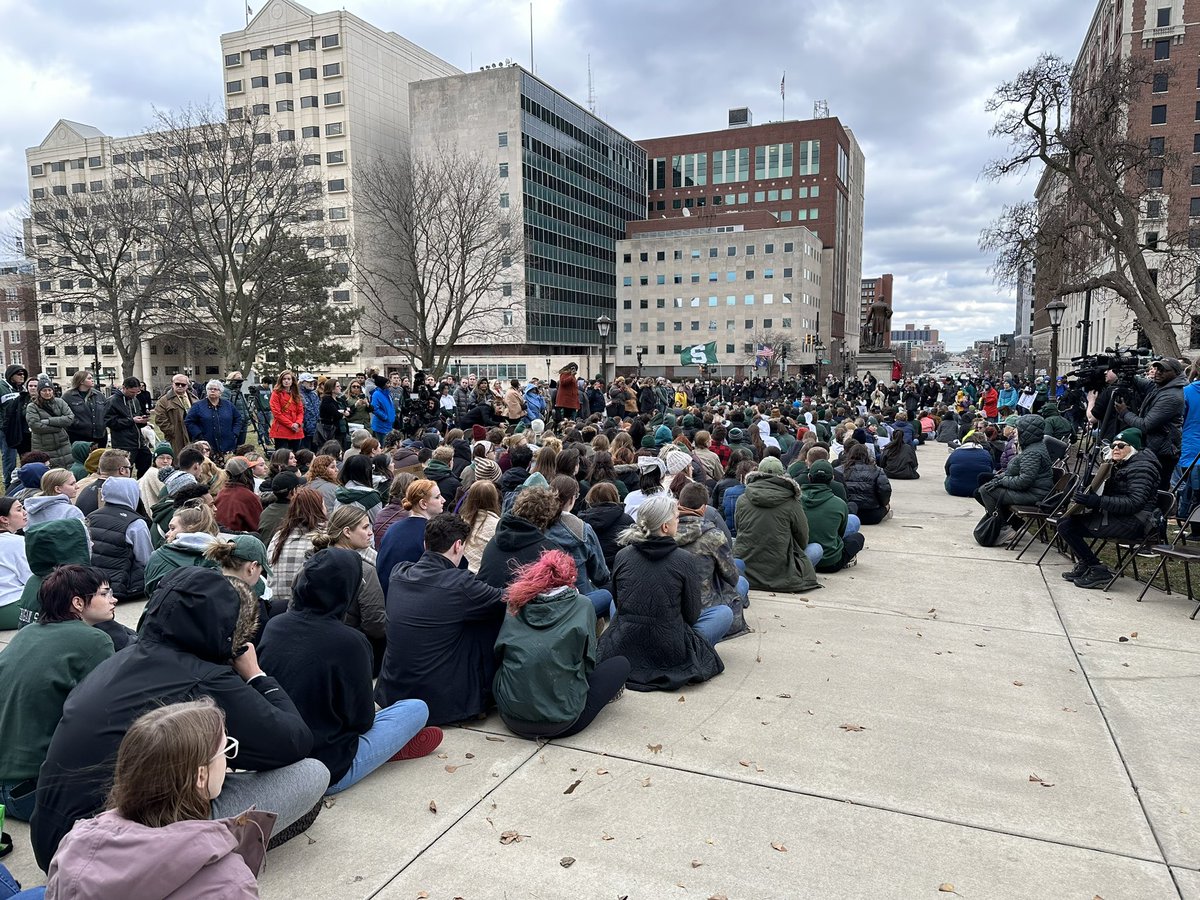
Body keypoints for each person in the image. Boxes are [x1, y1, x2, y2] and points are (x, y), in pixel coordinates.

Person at [30, 566, 329, 871]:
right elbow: (294, 742)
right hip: (111, 857)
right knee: (312, 773)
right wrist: (256, 676)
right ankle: (209, 858)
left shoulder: (118, 660)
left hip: (54, 843)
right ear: (228, 629)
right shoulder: (203, 678)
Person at [259, 549, 442, 796]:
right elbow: (362, 721)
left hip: (279, 760)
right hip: (328, 769)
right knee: (417, 708)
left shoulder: (275, 624)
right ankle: (383, 750)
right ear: (348, 589)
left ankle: (382, 748)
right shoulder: (350, 643)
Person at [44, 699, 272, 896]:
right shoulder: (230, 881)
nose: (227, 761)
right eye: (225, 751)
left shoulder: (74, 844)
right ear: (201, 776)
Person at [0, 566, 115, 821]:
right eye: (105, 594)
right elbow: (105, 714)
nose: (113, 599)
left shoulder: (28, 632)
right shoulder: (95, 640)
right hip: (34, 794)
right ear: (77, 603)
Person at [375, 514, 506, 725]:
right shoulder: (460, 584)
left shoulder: (399, 573)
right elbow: (506, 599)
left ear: (425, 543)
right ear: (457, 546)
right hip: (440, 702)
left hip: (393, 690)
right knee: (486, 621)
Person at [494, 550, 631, 740]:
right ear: (571, 577)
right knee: (620, 664)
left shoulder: (514, 603)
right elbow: (589, 663)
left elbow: (500, 652)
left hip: (510, 717)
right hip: (563, 722)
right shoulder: (582, 605)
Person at [598, 493, 728, 691]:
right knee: (723, 613)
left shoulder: (623, 555)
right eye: (676, 517)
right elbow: (692, 616)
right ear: (665, 527)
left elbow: (618, 601)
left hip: (625, 641)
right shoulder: (683, 559)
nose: (679, 520)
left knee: (617, 606)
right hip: (669, 648)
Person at [1057, 428, 1162, 589]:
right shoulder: (1123, 464)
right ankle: (1087, 563)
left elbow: (1134, 503)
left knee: (1067, 526)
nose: (1116, 449)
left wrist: (1097, 501)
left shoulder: (1142, 468)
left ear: (1132, 448)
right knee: (1065, 522)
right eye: (1113, 445)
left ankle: (1096, 568)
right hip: (1116, 516)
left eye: (1121, 445)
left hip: (1133, 522)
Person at [310, 506, 388, 669]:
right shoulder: (364, 571)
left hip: (312, 646)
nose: (371, 532)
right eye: (365, 527)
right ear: (347, 532)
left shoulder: (311, 564)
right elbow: (376, 625)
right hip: (352, 655)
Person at [733, 457, 822, 591]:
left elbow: (739, 528)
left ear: (758, 473)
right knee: (816, 548)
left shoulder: (743, 498)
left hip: (747, 571)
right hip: (782, 573)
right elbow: (803, 537)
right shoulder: (792, 501)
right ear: (782, 475)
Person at [674, 481, 748, 639]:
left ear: (679, 503)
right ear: (703, 508)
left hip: (670, 603)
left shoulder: (664, 530)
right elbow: (732, 577)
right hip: (703, 606)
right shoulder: (713, 536)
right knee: (742, 582)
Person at [977, 414, 1055, 540]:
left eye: (1017, 429)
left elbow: (1024, 481)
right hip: (1033, 491)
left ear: (1027, 432)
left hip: (1035, 494)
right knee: (986, 488)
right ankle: (1010, 524)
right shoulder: (1033, 447)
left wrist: (1001, 481)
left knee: (985, 491)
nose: (1014, 431)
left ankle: (1004, 528)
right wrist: (1000, 479)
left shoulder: (1032, 452)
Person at [1115, 357, 1187, 491]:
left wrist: (1124, 413)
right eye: (1157, 368)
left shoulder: (1171, 396)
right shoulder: (1162, 386)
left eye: (1164, 370)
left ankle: (1159, 512)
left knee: (1155, 491)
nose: (1158, 372)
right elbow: (1143, 383)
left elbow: (1146, 425)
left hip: (1162, 453)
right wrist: (1126, 372)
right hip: (1156, 448)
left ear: (1175, 373)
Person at [547, 474, 612, 620]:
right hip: (578, 598)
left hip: (543, 597)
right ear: (572, 498)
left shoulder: (538, 525)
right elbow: (600, 574)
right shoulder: (583, 529)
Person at [476, 486, 564, 590]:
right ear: (546, 518)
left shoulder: (495, 540)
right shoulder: (551, 553)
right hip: (515, 605)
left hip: (484, 602)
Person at [86, 476, 153, 602]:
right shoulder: (136, 523)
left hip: (94, 584)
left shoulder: (91, 516)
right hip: (123, 588)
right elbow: (146, 560)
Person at [377, 478, 444, 592]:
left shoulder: (393, 528)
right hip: (412, 597)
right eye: (437, 497)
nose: (443, 500)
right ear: (423, 503)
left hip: (387, 594)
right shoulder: (432, 532)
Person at [142, 501, 220, 598]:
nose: (167, 534)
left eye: (172, 528)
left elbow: (151, 594)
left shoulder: (158, 557)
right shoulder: (220, 554)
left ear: (191, 528)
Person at [266, 487, 327, 608]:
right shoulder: (323, 537)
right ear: (318, 509)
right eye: (324, 505)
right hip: (305, 609)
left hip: (275, 607)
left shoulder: (278, 537)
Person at [801, 460, 865, 573]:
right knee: (858, 538)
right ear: (832, 479)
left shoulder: (795, 500)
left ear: (809, 477)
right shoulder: (839, 504)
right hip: (829, 563)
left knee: (853, 520)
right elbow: (840, 533)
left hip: (802, 555)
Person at [579, 482, 634, 571]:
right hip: (621, 569)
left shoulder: (582, 521)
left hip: (592, 571)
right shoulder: (627, 520)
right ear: (616, 497)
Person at [185, 380, 245, 461]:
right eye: (210, 389)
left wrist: (234, 433)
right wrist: (198, 434)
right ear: (206, 391)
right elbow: (189, 421)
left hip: (227, 444)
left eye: (215, 389)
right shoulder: (198, 406)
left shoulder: (228, 405)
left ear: (220, 392)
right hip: (207, 445)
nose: (212, 391)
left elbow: (238, 419)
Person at [25, 376, 75, 471]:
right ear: (39, 392)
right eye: (44, 390)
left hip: (63, 443)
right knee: (49, 472)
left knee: (67, 468)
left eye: (49, 390)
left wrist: (49, 421)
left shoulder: (60, 402)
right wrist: (59, 427)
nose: (47, 393)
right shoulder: (32, 407)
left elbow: (69, 418)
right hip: (43, 445)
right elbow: (35, 426)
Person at [106, 376, 153, 477]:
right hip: (123, 443)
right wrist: (131, 420)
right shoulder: (112, 401)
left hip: (139, 441)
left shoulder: (135, 400)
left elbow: (137, 415)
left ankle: (141, 487)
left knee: (146, 461)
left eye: (137, 392)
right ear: (124, 388)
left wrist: (143, 420)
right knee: (125, 471)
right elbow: (110, 422)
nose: (135, 395)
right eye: (132, 392)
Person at [841, 443, 893, 525]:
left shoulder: (839, 470)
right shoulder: (877, 470)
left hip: (847, 514)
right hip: (871, 515)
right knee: (887, 506)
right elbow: (885, 490)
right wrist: (884, 503)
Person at [75, 448, 133, 517]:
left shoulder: (86, 489)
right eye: (129, 467)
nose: (130, 471)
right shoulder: (118, 494)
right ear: (122, 470)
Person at [460, 480, 501, 574]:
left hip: (462, 574)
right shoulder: (498, 525)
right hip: (482, 576)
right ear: (494, 499)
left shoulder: (461, 521)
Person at [153, 374, 197, 458]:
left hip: (193, 435)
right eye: (177, 384)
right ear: (172, 384)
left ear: (187, 386)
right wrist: (172, 431)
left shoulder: (194, 398)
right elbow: (160, 419)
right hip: (176, 437)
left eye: (183, 384)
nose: (180, 386)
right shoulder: (164, 401)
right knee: (179, 461)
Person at [215, 457, 263, 534]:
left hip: (220, 538)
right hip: (239, 541)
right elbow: (259, 527)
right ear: (246, 473)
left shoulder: (221, 492)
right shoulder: (248, 496)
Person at [62, 369, 107, 449]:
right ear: (81, 381)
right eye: (89, 378)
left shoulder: (99, 395)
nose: (92, 380)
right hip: (78, 436)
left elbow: (106, 412)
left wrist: (103, 424)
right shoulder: (68, 396)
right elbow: (64, 414)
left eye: (92, 378)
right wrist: (77, 424)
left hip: (100, 436)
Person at [335, 453, 383, 527]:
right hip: (364, 537)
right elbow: (378, 523)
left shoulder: (339, 492)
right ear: (367, 472)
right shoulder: (371, 496)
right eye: (372, 468)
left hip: (341, 536)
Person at [258, 470, 304, 546]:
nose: (301, 489)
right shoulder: (297, 512)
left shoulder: (265, 512)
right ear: (292, 492)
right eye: (298, 487)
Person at [269, 370, 306, 451]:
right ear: (281, 380)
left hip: (295, 429)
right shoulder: (276, 394)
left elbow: (300, 412)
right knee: (282, 457)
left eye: (289, 379)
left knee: (296, 455)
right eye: (284, 379)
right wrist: (291, 425)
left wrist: (297, 423)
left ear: (292, 381)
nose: (286, 381)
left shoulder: (296, 394)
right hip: (282, 429)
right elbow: (277, 413)